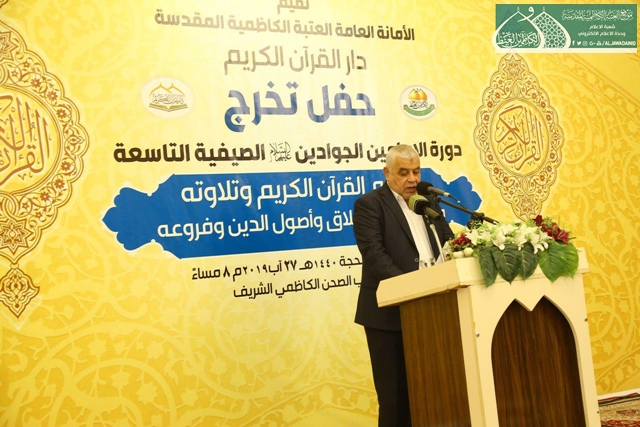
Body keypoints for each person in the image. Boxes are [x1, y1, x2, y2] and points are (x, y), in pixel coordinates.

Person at [353, 144, 454, 427]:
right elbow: (375, 256)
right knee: (395, 399)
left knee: (434, 392)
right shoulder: (370, 204)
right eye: (403, 173)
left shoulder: (427, 202)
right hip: (389, 317)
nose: (412, 179)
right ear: (387, 173)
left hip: (434, 311)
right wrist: (413, 291)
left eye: (416, 172)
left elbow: (447, 241)